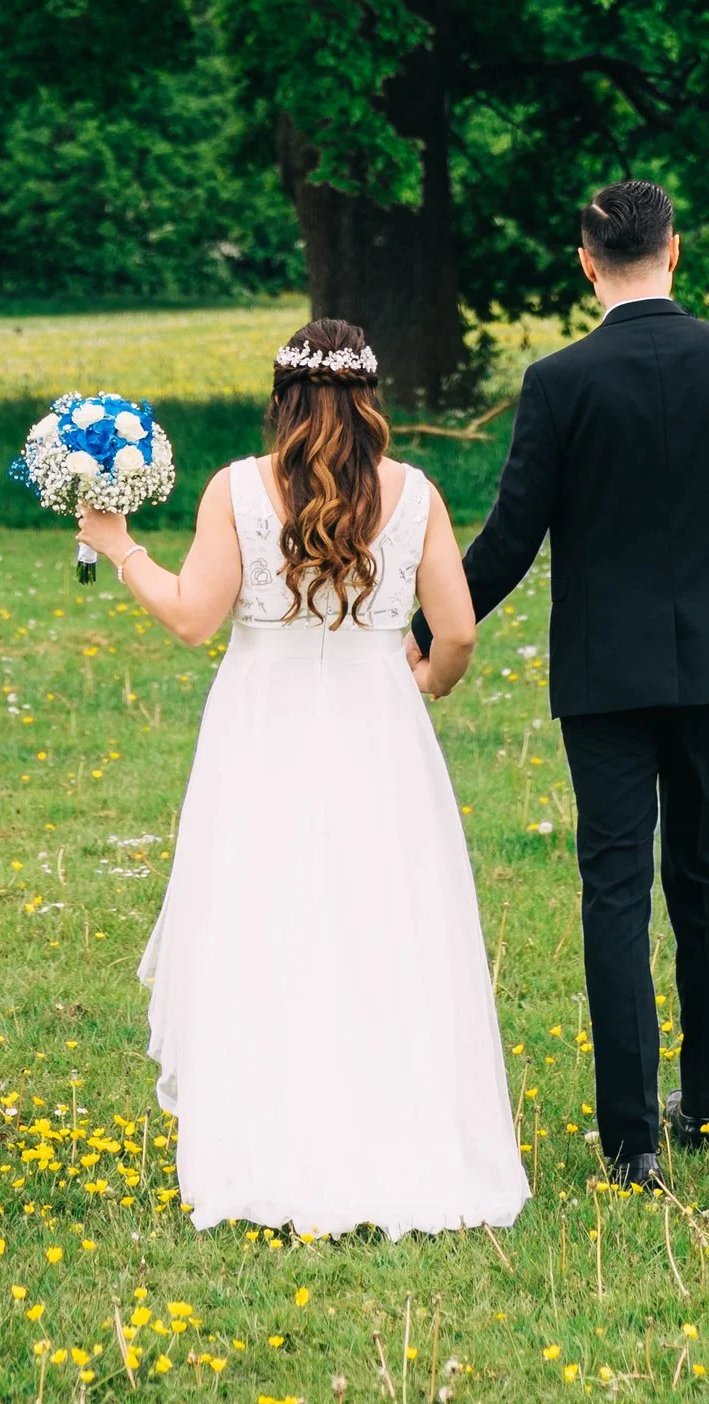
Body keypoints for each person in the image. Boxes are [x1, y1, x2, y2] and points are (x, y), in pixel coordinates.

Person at [73, 318, 529, 1239]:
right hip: (380, 731)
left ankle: (266, 1143)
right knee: (382, 925)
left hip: (262, 731)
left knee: (263, 920)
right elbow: (463, 628)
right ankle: (397, 1136)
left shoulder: (238, 488)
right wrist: (427, 680)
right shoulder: (416, 494)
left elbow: (194, 619)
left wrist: (119, 546)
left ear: (282, 397)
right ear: (370, 399)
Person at [417, 176, 709, 1185]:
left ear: (586, 262)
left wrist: (423, 625)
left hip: (602, 673)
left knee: (614, 892)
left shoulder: (560, 381)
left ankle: (631, 1139)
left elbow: (512, 536)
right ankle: (708, 1105)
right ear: (674, 251)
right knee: (704, 878)